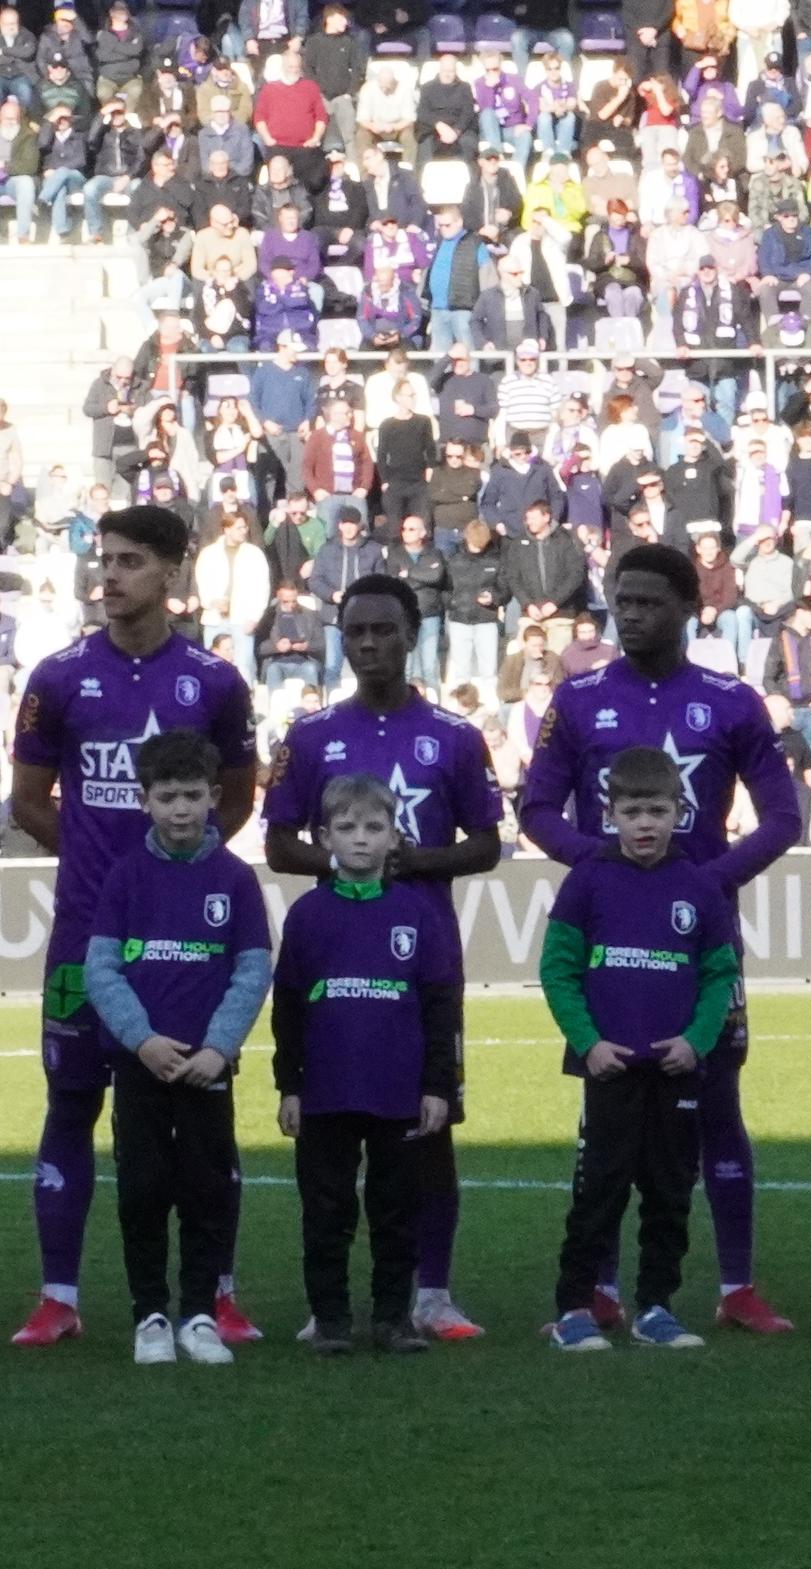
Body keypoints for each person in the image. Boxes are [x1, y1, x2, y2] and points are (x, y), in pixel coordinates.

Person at [516, 541, 803, 1331]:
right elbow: (535, 809)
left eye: (647, 601)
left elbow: (784, 816)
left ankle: (736, 1287)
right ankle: (601, 1288)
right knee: (607, 1116)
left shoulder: (734, 701)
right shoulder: (577, 701)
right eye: (621, 599)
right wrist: (602, 867)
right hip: (611, 943)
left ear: (687, 607)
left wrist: (706, 881)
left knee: (716, 1106)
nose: (631, 613)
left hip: (696, 940)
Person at [4, 504, 259, 1347]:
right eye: (103, 561)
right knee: (71, 1104)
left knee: (201, 1114)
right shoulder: (56, 678)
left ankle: (215, 1294)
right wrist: (103, 873)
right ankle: (58, 1296)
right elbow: (28, 803)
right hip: (85, 940)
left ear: (172, 575)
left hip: (187, 947)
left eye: (129, 562)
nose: (108, 577)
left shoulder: (215, 683)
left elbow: (236, 796)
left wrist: (178, 880)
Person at [256, 575, 502, 1340]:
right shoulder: (310, 736)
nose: (368, 645)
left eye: (383, 631)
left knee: (431, 1125)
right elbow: (278, 841)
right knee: (331, 1134)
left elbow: (488, 843)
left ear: (412, 634)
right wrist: (343, 868)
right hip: (336, 956)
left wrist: (408, 864)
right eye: (355, 632)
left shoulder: (456, 737)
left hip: (421, 960)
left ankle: (429, 1291)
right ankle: (329, 1305)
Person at [79, 728, 273, 1367]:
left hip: (206, 1070)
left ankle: (199, 1316)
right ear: (145, 801)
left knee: (205, 1192)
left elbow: (251, 971)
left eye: (193, 795)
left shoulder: (236, 880)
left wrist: (218, 1047)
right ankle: (150, 1316)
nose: (181, 809)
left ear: (215, 796)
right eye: (167, 796)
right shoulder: (126, 877)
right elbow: (101, 970)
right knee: (141, 1190)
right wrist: (143, 1041)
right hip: (142, 1067)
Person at [539, 745, 741, 1351]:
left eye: (657, 810)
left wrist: (697, 1041)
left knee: (670, 1191)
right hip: (611, 1068)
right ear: (610, 814)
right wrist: (588, 1043)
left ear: (680, 811)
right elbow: (558, 970)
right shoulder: (588, 881)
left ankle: (656, 1307)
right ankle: (574, 1310)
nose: (645, 824)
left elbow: (718, 974)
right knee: (599, 1189)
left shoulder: (698, 887)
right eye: (633, 811)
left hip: (675, 1069)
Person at [270, 771, 466, 1355]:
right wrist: (290, 1087)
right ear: (324, 837)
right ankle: (330, 1319)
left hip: (398, 1092)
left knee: (396, 1211)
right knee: (326, 1212)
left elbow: (438, 1007)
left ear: (393, 837)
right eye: (348, 828)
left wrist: (437, 1086)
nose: (361, 839)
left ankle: (391, 1318)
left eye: (374, 827)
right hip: (326, 1092)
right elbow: (287, 1009)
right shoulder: (307, 915)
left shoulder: (417, 914)